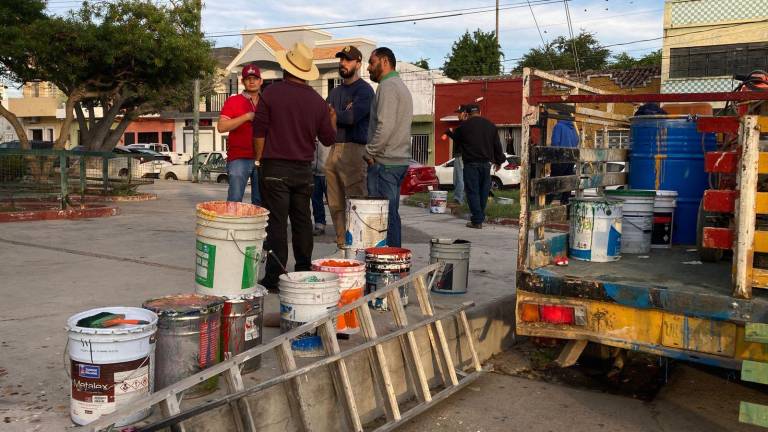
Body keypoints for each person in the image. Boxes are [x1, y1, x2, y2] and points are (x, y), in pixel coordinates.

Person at [253, 42, 337, 291]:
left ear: (286, 67)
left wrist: (260, 160)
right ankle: (303, 271)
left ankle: (274, 277)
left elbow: (258, 131)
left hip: (274, 167)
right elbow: (328, 139)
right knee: (302, 221)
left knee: (276, 224)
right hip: (303, 171)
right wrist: (331, 119)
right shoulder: (317, 102)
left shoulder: (271, 93)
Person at [325, 45, 375, 249]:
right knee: (335, 202)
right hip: (334, 148)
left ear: (358, 63)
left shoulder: (364, 90)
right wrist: (336, 116)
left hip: (355, 149)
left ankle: (359, 246)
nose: (342, 63)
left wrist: (335, 115)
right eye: (341, 59)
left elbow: (352, 117)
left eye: (347, 59)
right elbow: (324, 117)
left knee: (356, 201)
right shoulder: (335, 91)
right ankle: (341, 244)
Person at [364, 47, 413, 248]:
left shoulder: (388, 86)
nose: (368, 68)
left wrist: (369, 151)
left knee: (384, 218)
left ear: (385, 62)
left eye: (371, 62)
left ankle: (390, 266)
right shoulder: (399, 85)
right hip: (395, 161)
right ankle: (393, 264)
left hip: (385, 163)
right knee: (390, 214)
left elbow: (385, 126)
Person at [451, 104, 505, 229]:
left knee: (472, 192)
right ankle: (479, 217)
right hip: (486, 165)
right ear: (480, 112)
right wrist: (499, 161)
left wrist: (462, 120)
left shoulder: (463, 126)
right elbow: (497, 145)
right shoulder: (490, 125)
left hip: (471, 164)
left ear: (467, 113)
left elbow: (457, 140)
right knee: (483, 192)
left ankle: (477, 220)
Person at [217, 63, 262, 204]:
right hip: (239, 158)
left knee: (260, 201)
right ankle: (232, 226)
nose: (252, 81)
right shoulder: (233, 101)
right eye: (248, 78)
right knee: (235, 200)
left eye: (255, 78)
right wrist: (246, 117)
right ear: (242, 81)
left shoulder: (268, 101)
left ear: (261, 81)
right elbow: (221, 127)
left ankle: (258, 227)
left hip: (263, 157)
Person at [549, 118, 580, 205]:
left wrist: (552, 155)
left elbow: (555, 142)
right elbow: (577, 140)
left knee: (553, 182)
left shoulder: (559, 126)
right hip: (571, 159)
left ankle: (546, 202)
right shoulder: (573, 129)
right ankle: (565, 202)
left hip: (560, 158)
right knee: (567, 182)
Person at [445, 105, 468, 205]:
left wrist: (449, 133)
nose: (458, 115)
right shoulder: (468, 126)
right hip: (465, 155)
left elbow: (458, 139)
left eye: (459, 113)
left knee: (459, 177)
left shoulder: (463, 126)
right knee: (459, 177)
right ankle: (460, 197)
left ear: (464, 113)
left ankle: (459, 199)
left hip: (461, 155)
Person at [312, 140, 331, 236]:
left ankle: (340, 225)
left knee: (332, 200)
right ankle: (319, 224)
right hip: (313, 170)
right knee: (316, 200)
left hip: (327, 171)